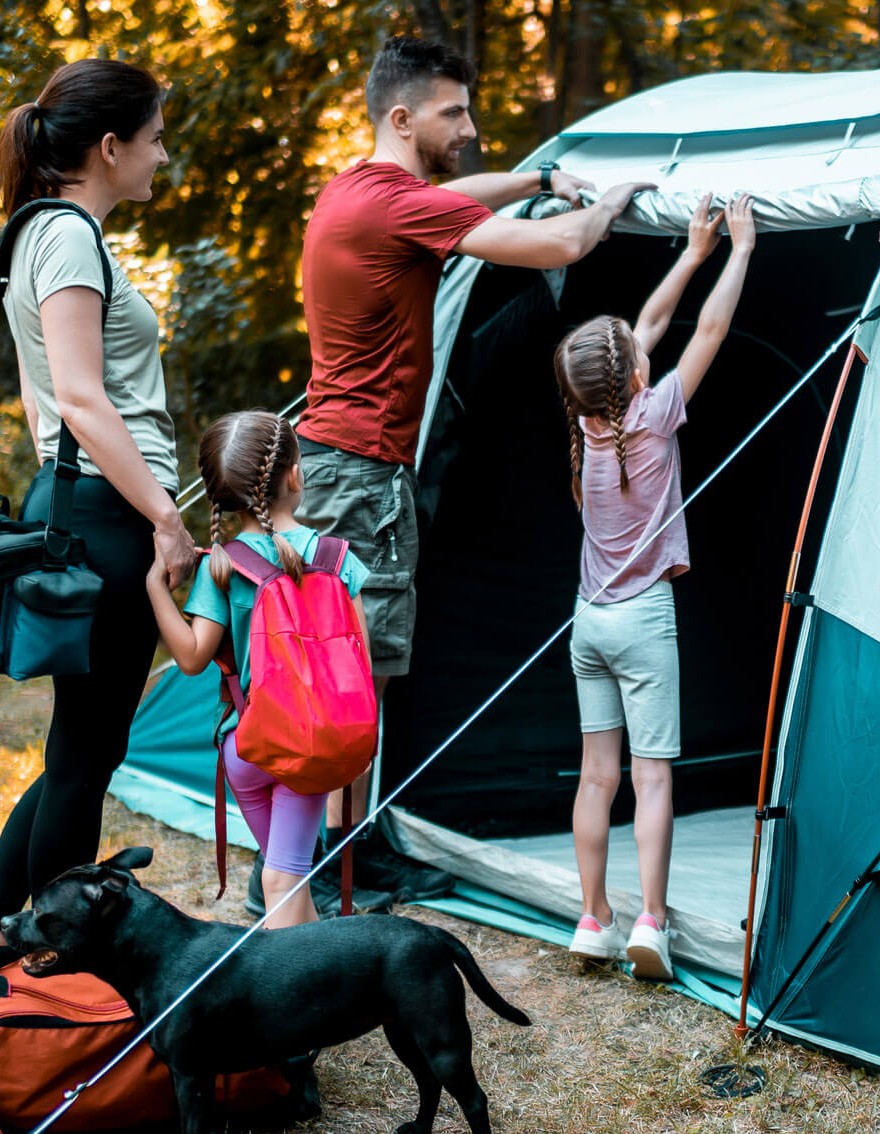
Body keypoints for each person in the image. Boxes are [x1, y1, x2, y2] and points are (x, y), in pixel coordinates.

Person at [277, 34, 653, 917]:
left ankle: (348, 849)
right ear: (403, 118)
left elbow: (455, 198)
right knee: (355, 679)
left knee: (354, 673)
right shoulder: (391, 206)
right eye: (455, 112)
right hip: (361, 476)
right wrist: (609, 205)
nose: (471, 128)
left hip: (339, 466)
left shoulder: (358, 190)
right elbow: (560, 248)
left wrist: (537, 178)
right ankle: (333, 868)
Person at [0, 59, 198, 953]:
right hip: (106, 514)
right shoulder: (65, 236)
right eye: (155, 138)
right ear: (109, 146)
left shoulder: (41, 229)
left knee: (81, 751)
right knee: (84, 760)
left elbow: (41, 394)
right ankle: (46, 956)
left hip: (85, 503)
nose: (161, 156)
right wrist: (165, 517)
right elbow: (80, 398)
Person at [556, 192, 758, 982]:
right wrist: (739, 250)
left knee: (596, 776)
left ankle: (592, 916)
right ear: (634, 375)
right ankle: (651, 919)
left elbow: (646, 327)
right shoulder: (658, 410)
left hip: (588, 622)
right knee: (650, 777)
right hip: (643, 621)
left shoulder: (590, 423)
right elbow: (704, 330)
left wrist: (693, 252)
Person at [142, 411, 372, 929]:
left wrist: (157, 588)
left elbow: (192, 658)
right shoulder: (335, 559)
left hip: (243, 746)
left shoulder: (222, 565)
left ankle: (318, 969)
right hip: (307, 746)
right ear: (295, 475)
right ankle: (295, 983)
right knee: (283, 881)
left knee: (289, 878)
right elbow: (359, 668)